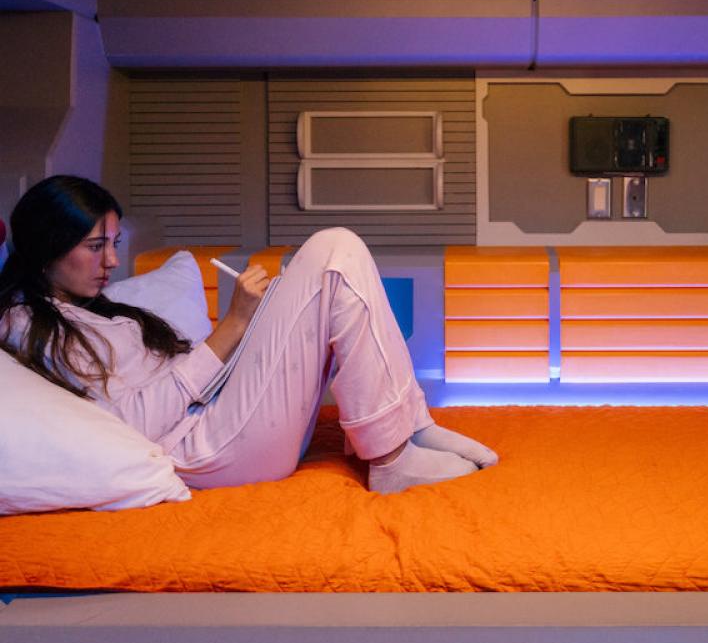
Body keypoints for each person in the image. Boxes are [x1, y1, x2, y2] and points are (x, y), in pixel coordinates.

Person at [0, 176, 497, 494]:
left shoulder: (95, 311)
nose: (111, 261)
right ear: (47, 248)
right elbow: (129, 422)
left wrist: (253, 325)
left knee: (324, 270)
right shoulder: (25, 324)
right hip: (203, 450)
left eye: (114, 244)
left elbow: (175, 372)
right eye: (94, 246)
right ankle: (390, 459)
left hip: (217, 414)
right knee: (334, 251)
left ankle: (407, 426)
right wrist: (234, 326)